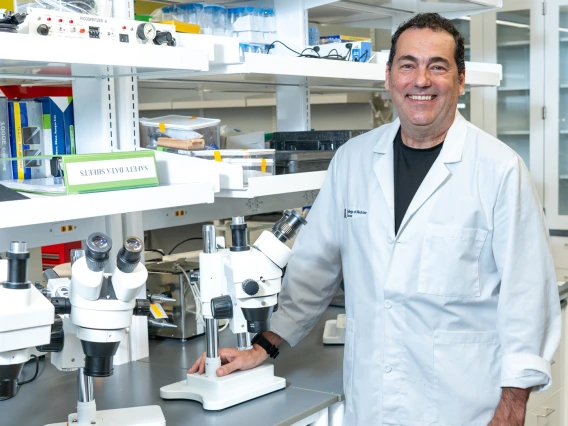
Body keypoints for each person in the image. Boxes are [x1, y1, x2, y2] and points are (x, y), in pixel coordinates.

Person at [190, 13, 562, 425]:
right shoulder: (353, 160)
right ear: (388, 77)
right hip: (373, 402)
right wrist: (262, 347)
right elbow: (316, 268)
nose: (421, 80)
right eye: (407, 65)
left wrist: (512, 408)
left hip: (463, 407)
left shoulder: (500, 170)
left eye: (437, 66)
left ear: (460, 80)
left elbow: (528, 301)